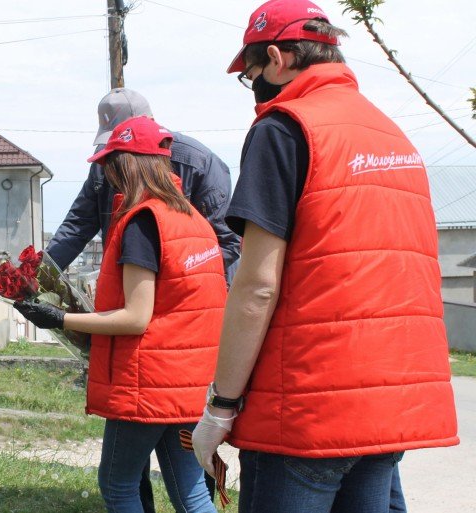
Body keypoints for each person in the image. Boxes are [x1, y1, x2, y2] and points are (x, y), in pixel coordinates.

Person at [189, 2, 459, 513]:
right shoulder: (391, 135)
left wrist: (221, 407)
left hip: (308, 410)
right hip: (388, 406)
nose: (256, 92)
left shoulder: (285, 128)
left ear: (275, 58)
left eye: (251, 78)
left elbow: (257, 285)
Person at [16, 116, 227, 513]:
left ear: (128, 164)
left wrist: (59, 319)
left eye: (110, 163)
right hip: (188, 385)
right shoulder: (194, 221)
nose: (106, 173)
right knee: (192, 492)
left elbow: (135, 317)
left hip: (146, 386)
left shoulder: (144, 223)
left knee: (118, 485)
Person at [47, 87, 240, 284]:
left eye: (124, 141)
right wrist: (39, 274)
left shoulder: (200, 164)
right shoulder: (104, 163)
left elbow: (226, 244)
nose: (119, 155)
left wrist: (160, 280)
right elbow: (78, 224)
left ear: (151, 124)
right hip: (131, 289)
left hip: (195, 291)